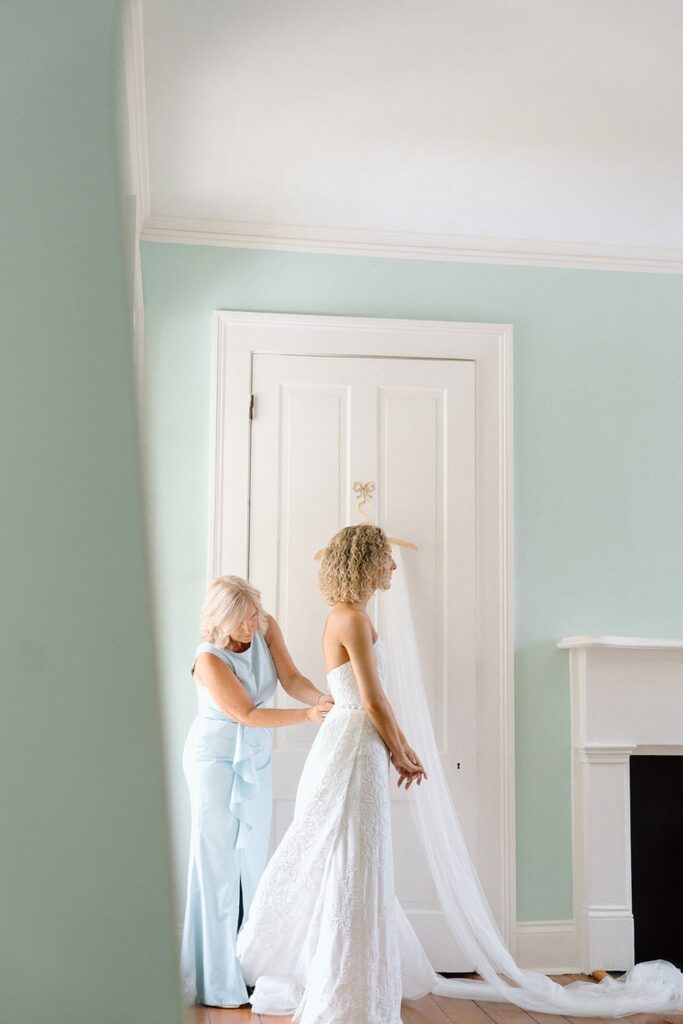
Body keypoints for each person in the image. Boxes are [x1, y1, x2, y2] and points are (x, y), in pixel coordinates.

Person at [236, 524, 428, 1024]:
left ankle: (352, 984)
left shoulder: (348, 616)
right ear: (365, 561)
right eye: (385, 558)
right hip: (354, 746)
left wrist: (402, 746)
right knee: (352, 859)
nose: (393, 566)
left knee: (355, 856)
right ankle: (344, 993)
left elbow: (374, 701)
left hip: (355, 741)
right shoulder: (353, 620)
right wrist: (400, 752)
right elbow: (371, 700)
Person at [180, 574, 333, 1008]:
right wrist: (307, 718)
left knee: (252, 863)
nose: (252, 626)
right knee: (217, 866)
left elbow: (291, 676)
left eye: (254, 615)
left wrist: (320, 699)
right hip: (214, 762)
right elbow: (246, 713)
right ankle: (216, 979)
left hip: (254, 757)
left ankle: (249, 966)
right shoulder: (208, 660)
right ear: (219, 620)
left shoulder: (265, 625)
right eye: (242, 620)